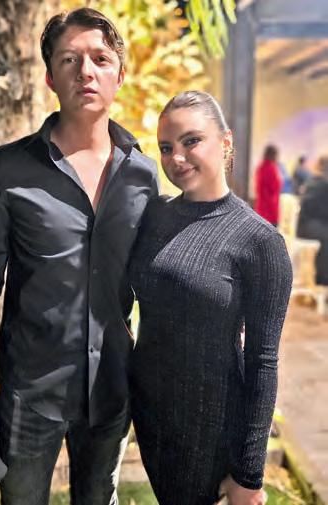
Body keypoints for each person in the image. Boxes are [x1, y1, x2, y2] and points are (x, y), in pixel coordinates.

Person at [0, 8, 158, 505]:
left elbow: (157, 278)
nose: (86, 71)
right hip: (30, 392)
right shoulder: (7, 170)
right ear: (50, 77)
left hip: (111, 387)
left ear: (120, 74)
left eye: (100, 59)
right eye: (70, 59)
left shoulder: (143, 175)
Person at [128, 91, 292, 505]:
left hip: (210, 430)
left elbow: (262, 361)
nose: (177, 158)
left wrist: (249, 474)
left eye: (191, 141)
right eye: (166, 147)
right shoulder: (155, 216)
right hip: (151, 420)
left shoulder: (259, 241)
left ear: (225, 141)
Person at [297, 156, 328, 285]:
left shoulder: (311, 182)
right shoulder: (324, 185)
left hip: (303, 227)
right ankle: (323, 280)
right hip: (314, 228)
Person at [254, 144, 282, 226]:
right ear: (274, 155)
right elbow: (274, 188)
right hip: (270, 209)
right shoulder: (272, 168)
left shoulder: (260, 168)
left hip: (260, 208)